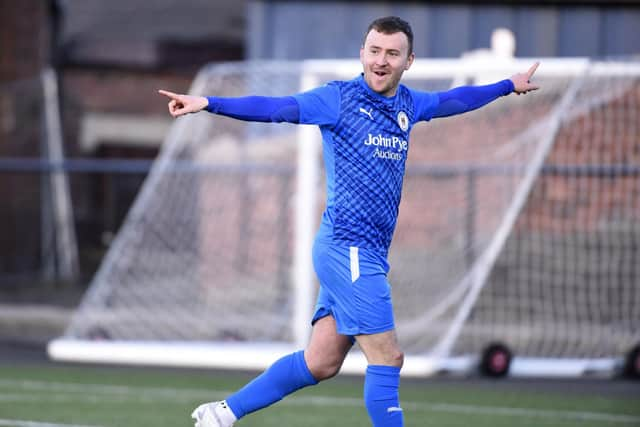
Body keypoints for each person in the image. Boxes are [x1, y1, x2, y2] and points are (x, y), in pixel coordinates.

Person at [159, 16, 539, 427]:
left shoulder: (409, 104)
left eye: (392, 53)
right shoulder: (338, 99)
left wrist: (507, 85)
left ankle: (221, 414)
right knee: (388, 357)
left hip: (366, 252)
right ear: (362, 54)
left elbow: (455, 100)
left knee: (320, 362)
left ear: (408, 61)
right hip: (347, 248)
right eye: (374, 51)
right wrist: (210, 103)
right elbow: (276, 108)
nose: (381, 60)